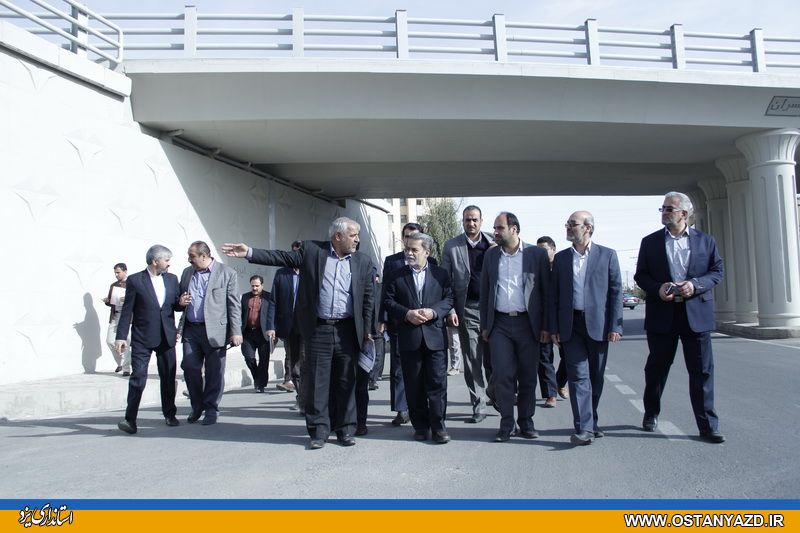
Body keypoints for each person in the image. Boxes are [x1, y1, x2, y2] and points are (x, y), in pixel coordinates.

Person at [223, 217, 374, 450]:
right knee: (317, 383)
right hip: (318, 329)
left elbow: (368, 298)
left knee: (346, 381)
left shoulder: (362, 261)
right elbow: (282, 257)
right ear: (338, 236)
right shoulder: (312, 251)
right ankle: (319, 431)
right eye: (353, 235)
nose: (357, 240)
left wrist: (368, 331)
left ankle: (345, 429)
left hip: (347, 330)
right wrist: (250, 252)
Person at [635, 192, 725, 444]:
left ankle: (708, 426)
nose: (664, 212)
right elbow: (641, 275)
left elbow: (717, 271)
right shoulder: (650, 242)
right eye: (662, 208)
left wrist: (695, 285)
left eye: (669, 209)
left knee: (702, 371)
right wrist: (657, 289)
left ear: (684, 213)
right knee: (656, 368)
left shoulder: (706, 241)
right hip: (662, 315)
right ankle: (651, 412)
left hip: (696, 315)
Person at [549, 212, 623, 445]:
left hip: (598, 326)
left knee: (596, 377)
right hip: (571, 326)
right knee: (578, 377)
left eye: (573, 224)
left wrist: (615, 325)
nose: (568, 227)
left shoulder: (607, 255)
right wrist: (553, 327)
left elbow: (616, 292)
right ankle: (584, 427)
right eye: (567, 224)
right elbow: (553, 296)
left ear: (588, 228)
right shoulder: (561, 259)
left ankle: (592, 421)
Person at [480, 212, 550, 442]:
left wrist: (546, 326)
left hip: (528, 324)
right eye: (495, 228)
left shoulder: (536, 254)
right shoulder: (491, 256)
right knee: (503, 376)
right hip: (499, 325)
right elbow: (485, 292)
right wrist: (485, 325)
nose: (495, 232)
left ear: (514, 229)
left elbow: (546, 292)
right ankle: (506, 424)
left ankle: (526, 422)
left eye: (499, 228)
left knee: (528, 376)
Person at [384, 232, 454, 444]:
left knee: (437, 384)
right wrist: (407, 314)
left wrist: (434, 312)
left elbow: (449, 298)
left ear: (427, 252)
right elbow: (388, 301)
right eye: (407, 249)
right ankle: (420, 427)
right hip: (409, 337)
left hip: (435, 338)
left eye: (414, 249)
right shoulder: (396, 275)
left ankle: (439, 427)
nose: (409, 253)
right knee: (413, 385)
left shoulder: (440, 274)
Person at [115, 245, 189, 434]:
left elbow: (175, 305)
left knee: (168, 377)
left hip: (166, 336)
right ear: (155, 261)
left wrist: (181, 303)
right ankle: (130, 419)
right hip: (142, 337)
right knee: (138, 377)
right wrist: (121, 336)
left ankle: (170, 414)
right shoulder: (135, 280)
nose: (169, 264)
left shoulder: (172, 279)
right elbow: (127, 310)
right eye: (166, 260)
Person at [379, 222, 438, 427]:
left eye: (414, 236)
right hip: (399, 322)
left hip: (425, 324)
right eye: (406, 236)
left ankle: (424, 408)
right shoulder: (392, 261)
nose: (409, 240)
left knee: (423, 369)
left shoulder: (431, 262)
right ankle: (401, 409)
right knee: (398, 368)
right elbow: (385, 293)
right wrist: (382, 319)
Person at [179, 241, 242, 426]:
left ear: (204, 255)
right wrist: (181, 302)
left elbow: (234, 304)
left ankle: (211, 409)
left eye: (192, 256)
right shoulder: (187, 273)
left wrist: (236, 331)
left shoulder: (227, 273)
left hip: (215, 331)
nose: (189, 259)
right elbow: (180, 298)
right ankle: (197, 406)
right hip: (191, 329)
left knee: (214, 372)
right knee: (190, 367)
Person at [441, 205, 494, 424]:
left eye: (474, 220)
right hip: (468, 309)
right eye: (467, 220)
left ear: (481, 221)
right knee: (472, 359)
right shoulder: (451, 246)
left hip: (494, 310)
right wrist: (451, 310)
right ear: (462, 221)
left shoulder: (493, 243)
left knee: (496, 358)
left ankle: (494, 392)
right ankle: (479, 404)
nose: (471, 223)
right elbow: (445, 281)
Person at [271, 240, 304, 412]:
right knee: (295, 364)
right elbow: (273, 301)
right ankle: (301, 398)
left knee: (306, 363)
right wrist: (272, 327)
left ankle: (308, 400)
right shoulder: (281, 274)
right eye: (293, 252)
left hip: (308, 327)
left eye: (299, 252)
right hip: (289, 327)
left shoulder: (312, 272)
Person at [535, 237, 565, 406]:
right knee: (544, 357)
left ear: (553, 250)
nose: (541, 254)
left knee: (569, 357)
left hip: (565, 319)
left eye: (544, 250)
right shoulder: (536, 270)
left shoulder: (563, 265)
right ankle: (550, 394)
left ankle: (560, 381)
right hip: (545, 319)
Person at [241, 275, 276, 393]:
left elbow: (273, 314)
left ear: (262, 285)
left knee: (264, 361)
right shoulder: (245, 297)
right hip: (247, 333)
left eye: (257, 285)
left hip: (264, 333)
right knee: (248, 357)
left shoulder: (269, 297)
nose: (254, 288)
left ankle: (261, 384)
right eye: (252, 286)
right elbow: (240, 314)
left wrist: (273, 329)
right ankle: (256, 377)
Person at [102, 263, 131, 376]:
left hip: (127, 316)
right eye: (115, 273)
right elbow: (111, 302)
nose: (116, 275)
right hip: (116, 315)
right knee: (110, 340)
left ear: (125, 271)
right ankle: (121, 363)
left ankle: (126, 369)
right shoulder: (113, 285)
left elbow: (137, 299)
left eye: (118, 272)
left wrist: (127, 299)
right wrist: (107, 301)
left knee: (126, 341)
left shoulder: (131, 283)